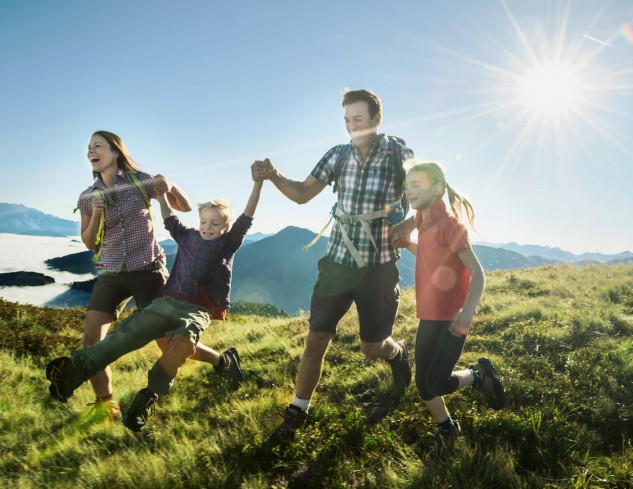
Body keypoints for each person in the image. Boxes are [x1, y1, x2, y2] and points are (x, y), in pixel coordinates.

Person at [251, 88, 414, 443]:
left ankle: (397, 352)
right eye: (346, 120)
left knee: (372, 348)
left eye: (357, 119)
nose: (351, 126)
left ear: (376, 119)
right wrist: (274, 175)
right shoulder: (337, 155)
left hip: (379, 265)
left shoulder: (399, 153)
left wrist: (408, 225)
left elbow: (428, 195)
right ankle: (297, 412)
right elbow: (302, 193)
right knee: (316, 339)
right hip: (338, 262)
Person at [46, 179, 263, 431]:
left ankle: (149, 395)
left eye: (215, 224)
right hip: (167, 302)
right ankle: (77, 368)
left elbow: (247, 216)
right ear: (199, 220)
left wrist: (257, 184)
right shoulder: (187, 236)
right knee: (129, 332)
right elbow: (170, 218)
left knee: (181, 344)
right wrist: (161, 197)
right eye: (204, 221)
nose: (207, 227)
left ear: (226, 227)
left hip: (197, 310)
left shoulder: (229, 243)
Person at [75, 130, 240, 421]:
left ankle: (222, 361)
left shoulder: (141, 182)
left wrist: (171, 186)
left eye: (97, 145)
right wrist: (98, 214)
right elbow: (89, 243)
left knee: (167, 343)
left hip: (148, 270)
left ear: (115, 152)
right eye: (89, 147)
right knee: (91, 341)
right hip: (112, 273)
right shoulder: (88, 197)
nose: (91, 150)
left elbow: (185, 206)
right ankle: (106, 402)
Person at [393, 162, 505, 437]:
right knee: (423, 384)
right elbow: (434, 256)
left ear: (438, 189)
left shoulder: (451, 227)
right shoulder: (421, 220)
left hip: (454, 318)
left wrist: (468, 310)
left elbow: (478, 273)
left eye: (416, 185)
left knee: (438, 382)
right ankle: (447, 428)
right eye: (407, 186)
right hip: (428, 316)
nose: (409, 191)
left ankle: (479, 374)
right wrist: (408, 244)